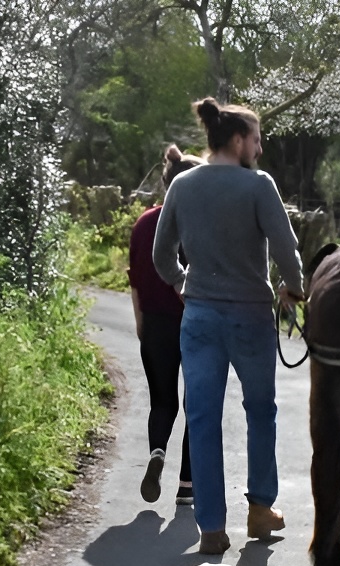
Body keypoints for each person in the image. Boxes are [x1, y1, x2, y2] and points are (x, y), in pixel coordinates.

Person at [152, 97, 304, 555]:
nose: (259, 149)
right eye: (256, 140)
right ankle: (260, 510)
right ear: (238, 140)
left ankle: (211, 528)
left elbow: (161, 255)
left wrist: (183, 284)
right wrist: (293, 288)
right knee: (260, 410)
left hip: (199, 316)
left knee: (202, 418)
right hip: (251, 317)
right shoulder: (259, 185)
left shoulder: (182, 186)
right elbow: (286, 249)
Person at [128, 145, 204, 507]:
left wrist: (141, 322)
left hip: (154, 325)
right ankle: (187, 486)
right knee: (195, 404)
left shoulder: (144, 223)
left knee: (162, 402)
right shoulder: (201, 223)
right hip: (193, 322)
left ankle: (158, 453)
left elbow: (136, 279)